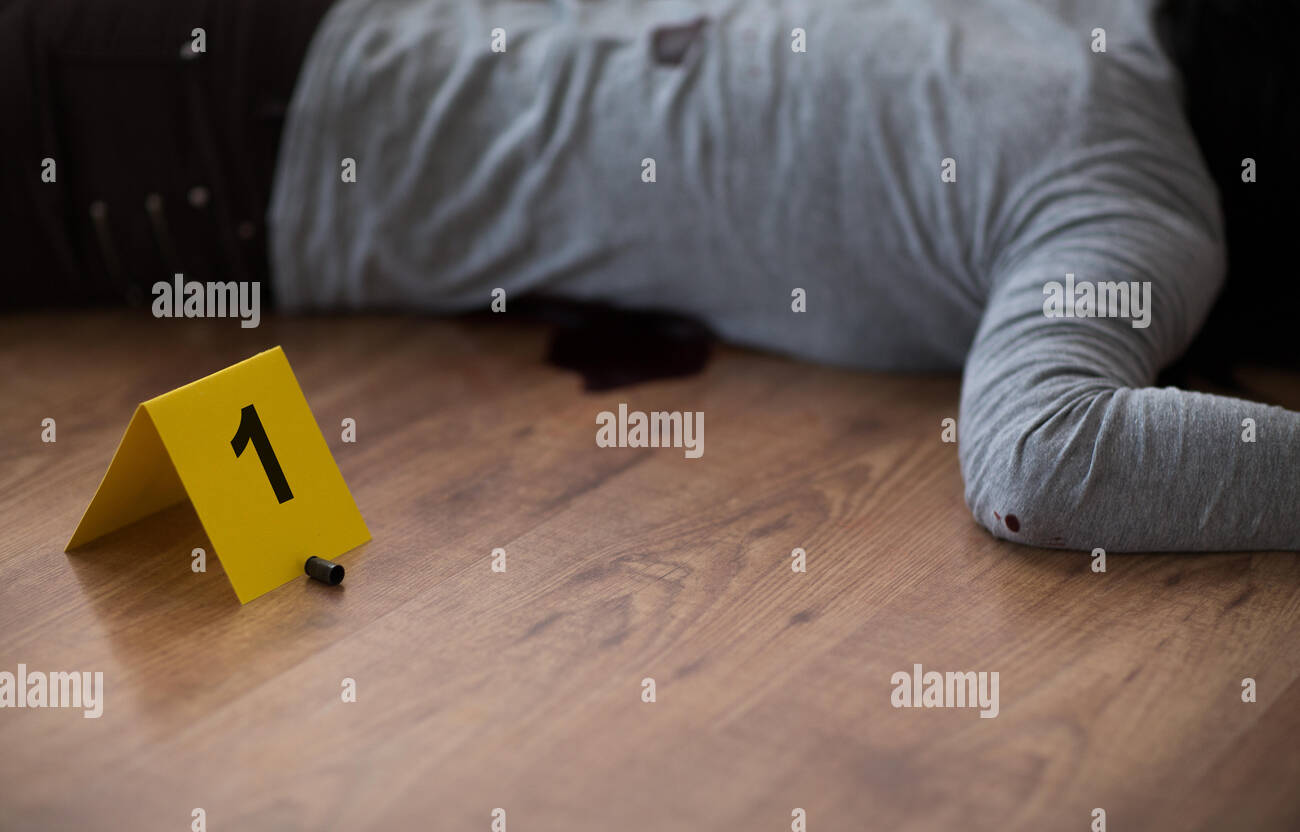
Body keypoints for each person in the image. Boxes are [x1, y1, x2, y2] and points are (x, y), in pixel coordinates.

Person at [3, 0, 1296, 551]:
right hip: (208, 162)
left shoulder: (1106, 31)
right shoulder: (1137, 198)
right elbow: (1041, 468)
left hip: (248, 75)